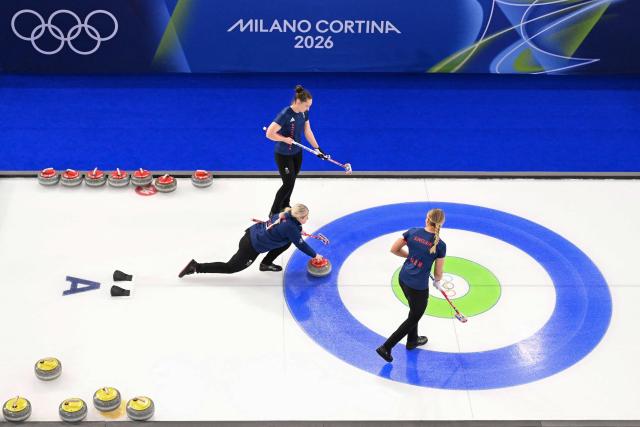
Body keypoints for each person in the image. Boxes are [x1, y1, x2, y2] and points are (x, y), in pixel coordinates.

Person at [376, 208, 447, 362]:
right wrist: (437, 281)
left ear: (427, 219)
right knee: (414, 317)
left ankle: (412, 340)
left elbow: (394, 249)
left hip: (404, 279)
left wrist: (412, 256)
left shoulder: (413, 232)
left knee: (414, 311)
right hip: (419, 287)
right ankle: (386, 347)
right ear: (441, 223)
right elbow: (438, 273)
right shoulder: (440, 245)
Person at [178, 203, 323, 277]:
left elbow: (289, 232)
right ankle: (196, 267)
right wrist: (315, 255)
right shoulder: (290, 228)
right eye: (305, 217)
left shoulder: (285, 214)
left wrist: (297, 230)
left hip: (252, 234)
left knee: (286, 242)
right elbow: (301, 244)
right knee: (231, 268)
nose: (307, 219)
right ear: (297, 217)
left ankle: (265, 264)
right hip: (251, 246)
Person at [265, 85, 326, 217]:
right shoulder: (285, 114)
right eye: (306, 105)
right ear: (298, 102)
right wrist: (284, 139)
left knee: (292, 180)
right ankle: (274, 212)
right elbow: (269, 134)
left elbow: (307, 130)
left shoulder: (304, 112)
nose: (308, 109)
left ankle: (285, 206)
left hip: (297, 153)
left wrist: (318, 148)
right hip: (283, 154)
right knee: (288, 183)